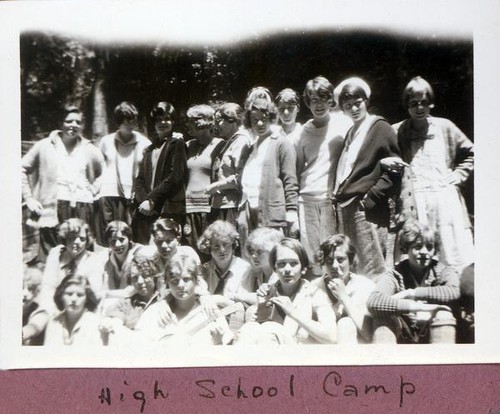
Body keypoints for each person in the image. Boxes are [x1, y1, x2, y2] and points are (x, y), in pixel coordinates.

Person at [387, 76, 474, 269]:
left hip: (444, 199)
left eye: (424, 103)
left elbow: (472, 152)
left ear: (431, 103)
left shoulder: (445, 127)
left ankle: (453, 291)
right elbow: (384, 156)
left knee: (450, 252)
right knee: (419, 248)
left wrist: (459, 174)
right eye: (414, 103)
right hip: (416, 201)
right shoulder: (398, 131)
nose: (419, 108)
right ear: (406, 105)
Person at [331, 77, 401, 278]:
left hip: (367, 209)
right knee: (357, 262)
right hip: (349, 205)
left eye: (357, 103)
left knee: (373, 263)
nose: (354, 109)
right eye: (348, 106)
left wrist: (371, 197)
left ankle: (380, 304)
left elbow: (395, 169)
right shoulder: (351, 132)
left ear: (366, 101)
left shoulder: (379, 127)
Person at [21, 105, 104, 262]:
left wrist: (93, 190)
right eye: (69, 121)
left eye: (78, 122)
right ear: (60, 123)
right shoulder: (44, 145)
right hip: (53, 208)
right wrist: (29, 198)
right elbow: (21, 168)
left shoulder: (88, 148)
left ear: (82, 125)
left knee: (82, 255)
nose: (73, 125)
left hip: (82, 207)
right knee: (52, 257)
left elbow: (105, 172)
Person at [367, 220, 460, 344]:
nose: (424, 252)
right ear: (406, 248)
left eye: (429, 247)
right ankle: (385, 360)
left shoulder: (442, 270)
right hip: (404, 332)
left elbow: (454, 291)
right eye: (417, 247)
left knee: (444, 315)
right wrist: (419, 307)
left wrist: (412, 293)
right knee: (383, 320)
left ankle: (441, 361)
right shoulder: (396, 273)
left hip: (432, 329)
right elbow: (374, 301)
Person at [295, 76, 352, 276]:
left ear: (330, 100)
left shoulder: (344, 124)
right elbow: (299, 167)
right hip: (306, 196)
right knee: (311, 250)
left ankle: (334, 287)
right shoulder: (304, 130)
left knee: (332, 247)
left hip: (330, 198)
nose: (318, 105)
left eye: (322, 99)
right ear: (307, 103)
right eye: (313, 100)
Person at [236, 238, 337, 344]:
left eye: (293, 263)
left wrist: (292, 312)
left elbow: (331, 336)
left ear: (303, 268)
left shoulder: (314, 293)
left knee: (270, 327)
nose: (287, 269)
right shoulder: (268, 292)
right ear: (274, 268)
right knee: (249, 329)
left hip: (302, 355)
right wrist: (257, 312)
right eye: (281, 264)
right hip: (269, 351)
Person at [21, 218, 106, 344]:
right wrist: (53, 310)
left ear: (87, 241)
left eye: (82, 239)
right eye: (72, 237)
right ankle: (22, 334)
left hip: (81, 307)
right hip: (53, 306)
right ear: (65, 238)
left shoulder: (94, 260)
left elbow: (93, 295)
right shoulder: (56, 254)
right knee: (39, 320)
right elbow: (48, 287)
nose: (76, 243)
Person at [135, 252, 236, 345]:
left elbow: (227, 353)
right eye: (175, 281)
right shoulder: (156, 312)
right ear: (167, 283)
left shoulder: (209, 311)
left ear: (196, 281)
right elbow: (138, 345)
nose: (181, 285)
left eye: (186, 279)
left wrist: (218, 343)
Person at [238, 98, 299, 247]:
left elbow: (290, 181)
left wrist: (292, 215)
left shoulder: (281, 143)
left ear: (271, 118)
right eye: (254, 120)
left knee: (271, 254)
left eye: (263, 119)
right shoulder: (250, 148)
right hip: (249, 211)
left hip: (271, 214)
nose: (259, 123)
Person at [132, 101, 187, 244]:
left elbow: (176, 176)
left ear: (173, 121)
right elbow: (139, 179)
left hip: (167, 208)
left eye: (167, 118)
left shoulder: (177, 143)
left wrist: (152, 200)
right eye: (158, 119)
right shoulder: (149, 149)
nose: (163, 122)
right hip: (147, 210)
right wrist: (144, 200)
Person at [95, 101, 151, 244]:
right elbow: (97, 168)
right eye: (127, 121)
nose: (131, 125)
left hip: (133, 197)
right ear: (119, 122)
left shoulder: (144, 143)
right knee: (109, 237)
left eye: (133, 120)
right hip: (109, 194)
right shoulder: (106, 141)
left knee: (131, 238)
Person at [314, 234, 374, 343]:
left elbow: (368, 333)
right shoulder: (315, 287)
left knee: (346, 324)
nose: (334, 266)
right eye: (329, 260)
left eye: (340, 259)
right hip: (326, 347)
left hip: (357, 348)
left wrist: (343, 296)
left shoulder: (364, 286)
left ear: (350, 261)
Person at [184, 104, 224, 254]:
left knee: (209, 251)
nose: (187, 125)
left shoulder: (220, 145)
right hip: (189, 208)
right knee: (191, 250)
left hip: (208, 209)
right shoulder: (187, 146)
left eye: (191, 121)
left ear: (201, 122)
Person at [205, 103, 252, 226]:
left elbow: (241, 177)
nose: (216, 125)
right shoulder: (230, 142)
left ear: (232, 120)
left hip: (232, 206)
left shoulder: (241, 141)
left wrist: (216, 186)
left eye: (219, 120)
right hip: (222, 205)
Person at [100, 255, 162, 333]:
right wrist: (114, 321)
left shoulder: (165, 298)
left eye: (145, 275)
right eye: (135, 278)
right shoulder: (127, 303)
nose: (139, 281)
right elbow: (115, 314)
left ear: (155, 276)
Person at [140, 218, 200, 295]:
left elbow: (200, 282)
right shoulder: (152, 261)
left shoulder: (188, 254)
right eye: (159, 241)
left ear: (177, 239)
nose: (164, 246)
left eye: (168, 241)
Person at [198, 220, 254, 304]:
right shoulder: (206, 269)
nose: (222, 250)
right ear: (209, 248)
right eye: (216, 246)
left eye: (225, 244)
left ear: (233, 244)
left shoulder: (245, 269)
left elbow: (244, 303)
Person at [44, 275, 103, 346]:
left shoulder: (95, 323)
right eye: (69, 294)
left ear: (87, 299)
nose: (74, 299)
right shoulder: (54, 323)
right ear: (61, 296)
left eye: (80, 295)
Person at [99, 220, 143, 296]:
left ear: (129, 238)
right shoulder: (105, 255)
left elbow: (134, 289)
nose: (117, 244)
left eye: (122, 239)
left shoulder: (140, 253)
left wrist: (105, 294)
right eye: (113, 241)